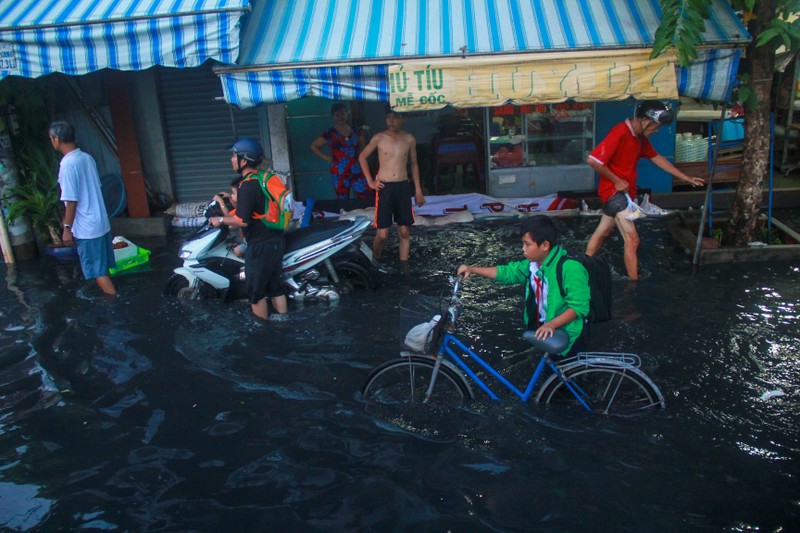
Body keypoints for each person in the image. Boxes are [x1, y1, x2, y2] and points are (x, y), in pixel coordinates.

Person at [584, 100, 706, 280]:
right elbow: (593, 160)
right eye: (655, 126)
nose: (656, 131)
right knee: (632, 240)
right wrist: (616, 180)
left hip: (623, 194)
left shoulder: (640, 138)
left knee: (603, 232)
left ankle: (583, 266)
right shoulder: (620, 131)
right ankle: (633, 285)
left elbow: (657, 158)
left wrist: (684, 177)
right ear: (643, 120)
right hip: (615, 193)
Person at [457, 215, 589, 357]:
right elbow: (506, 272)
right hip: (546, 328)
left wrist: (552, 324)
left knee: (569, 373)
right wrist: (472, 270)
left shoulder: (570, 268)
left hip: (569, 333)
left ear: (544, 245)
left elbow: (578, 307)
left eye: (527, 244)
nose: (523, 249)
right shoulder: (533, 266)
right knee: (551, 373)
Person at [213, 138, 287, 320]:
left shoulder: (247, 186)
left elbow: (242, 220)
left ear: (244, 160)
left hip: (260, 245)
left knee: (255, 293)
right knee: (275, 286)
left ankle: (261, 332)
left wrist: (220, 219)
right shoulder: (263, 178)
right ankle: (284, 323)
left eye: (233, 155)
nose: (231, 159)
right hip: (276, 240)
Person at [49, 121, 116, 296]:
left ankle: (114, 306)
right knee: (102, 268)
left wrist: (66, 229)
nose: (52, 142)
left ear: (57, 139)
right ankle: (112, 296)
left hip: (88, 229)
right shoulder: (86, 157)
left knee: (97, 272)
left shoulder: (68, 165)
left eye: (51, 138)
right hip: (101, 222)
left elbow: (71, 202)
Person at [358, 107, 426, 264]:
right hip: (385, 188)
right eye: (388, 117)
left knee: (404, 232)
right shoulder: (379, 138)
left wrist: (418, 190)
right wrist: (370, 182)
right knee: (382, 234)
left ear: (404, 119)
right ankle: (375, 261)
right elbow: (362, 157)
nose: (391, 121)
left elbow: (414, 164)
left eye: (395, 117)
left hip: (402, 186)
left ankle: (404, 268)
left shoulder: (409, 139)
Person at [310, 103, 370, 200]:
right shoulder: (329, 133)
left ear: (347, 114)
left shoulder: (355, 129)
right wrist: (327, 158)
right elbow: (314, 146)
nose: (340, 117)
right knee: (342, 199)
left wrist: (359, 154)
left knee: (365, 195)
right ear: (333, 117)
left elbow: (363, 141)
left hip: (356, 169)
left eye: (342, 114)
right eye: (337, 115)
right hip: (339, 172)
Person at [211, 176, 246, 257]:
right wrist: (230, 197)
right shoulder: (242, 205)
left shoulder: (245, 207)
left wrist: (221, 202)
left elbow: (230, 219)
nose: (232, 195)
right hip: (244, 237)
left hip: (252, 242)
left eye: (233, 193)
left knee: (237, 251)